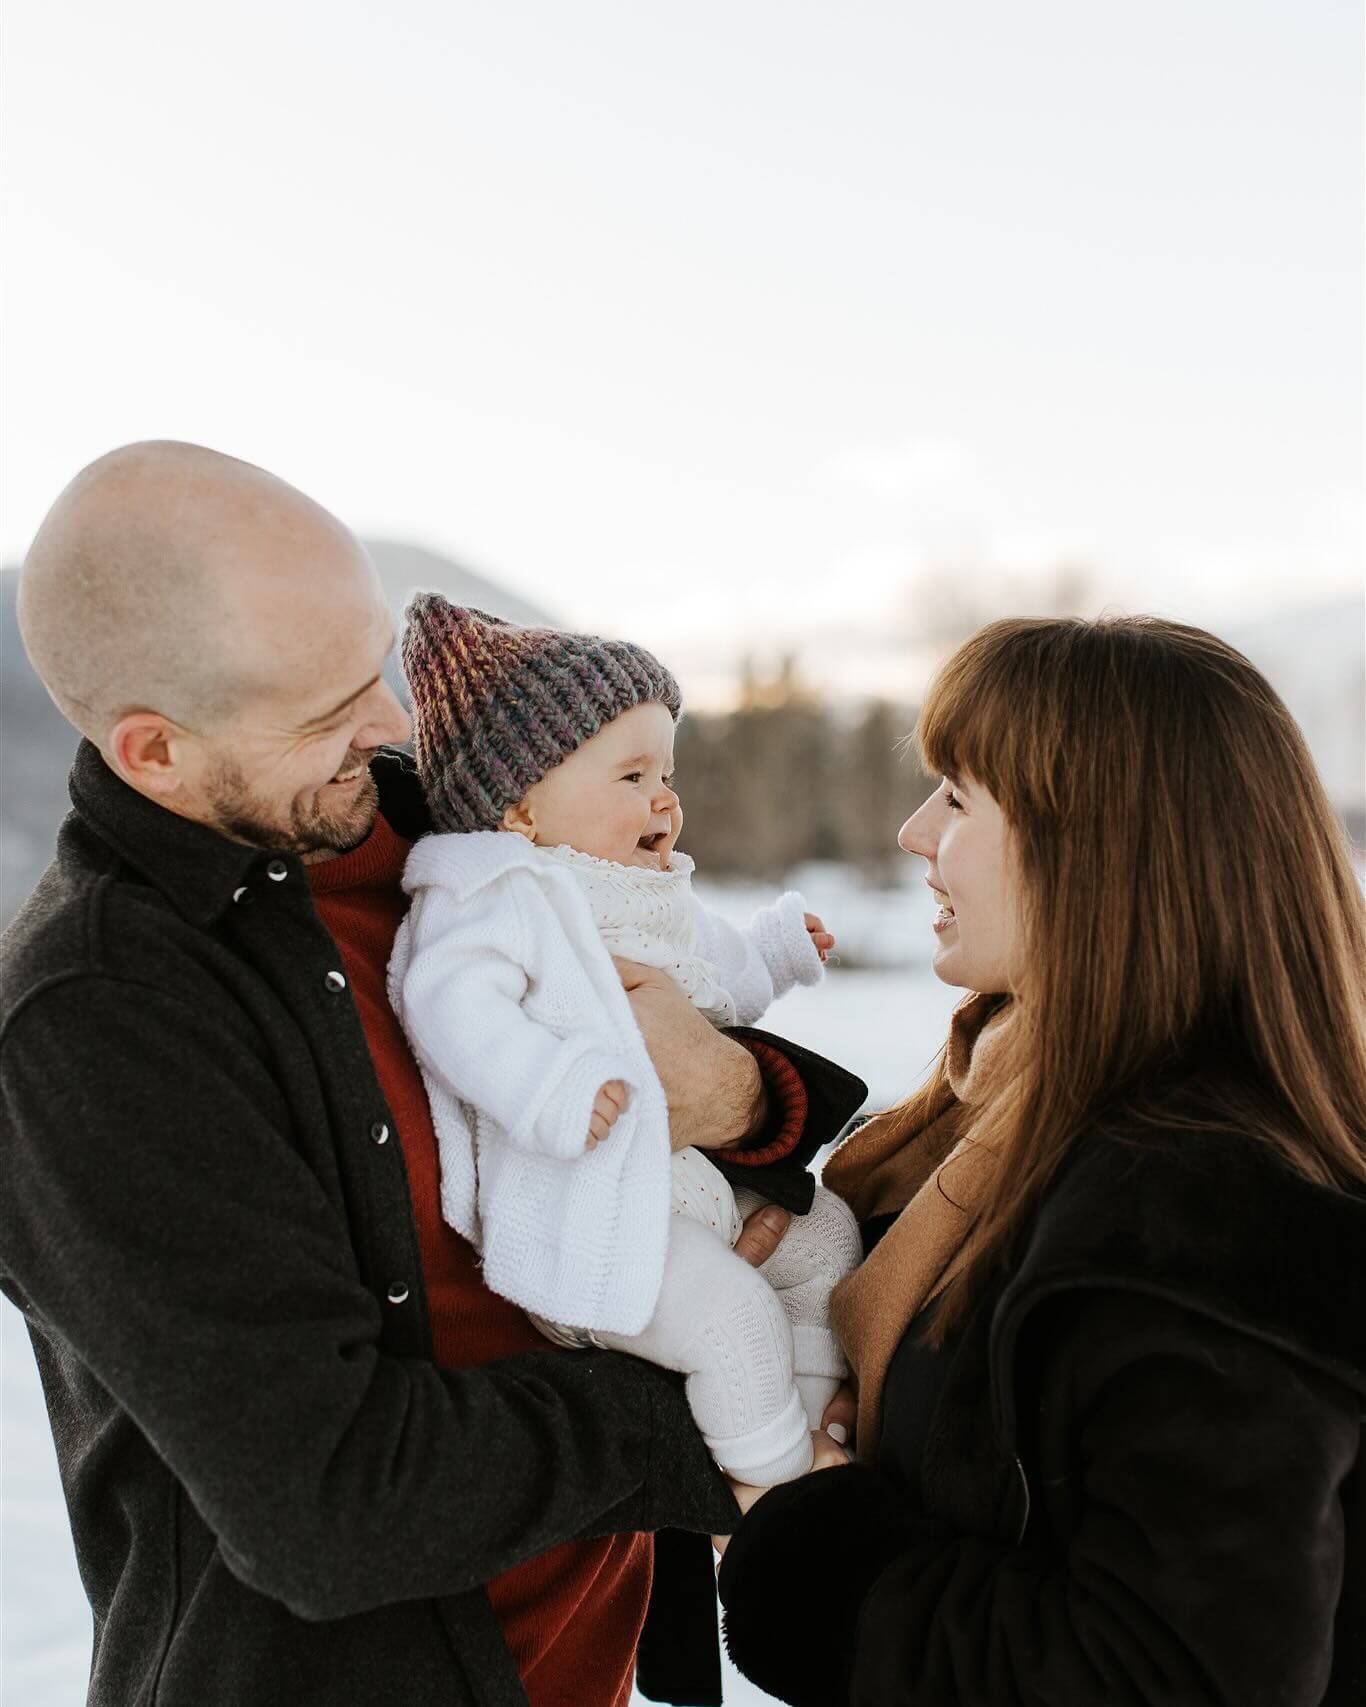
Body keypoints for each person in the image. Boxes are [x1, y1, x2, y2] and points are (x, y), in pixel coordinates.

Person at [0, 441, 867, 1707]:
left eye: (377, 670)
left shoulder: (448, 827)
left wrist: (741, 1097)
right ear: (155, 752)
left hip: (584, 1664)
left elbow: (681, 1002)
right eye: (326, 710)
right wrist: (716, 1428)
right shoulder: (96, 1022)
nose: (392, 725)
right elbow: (329, 1502)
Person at [716, 615, 1366, 1707]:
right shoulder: (992, 1131)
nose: (914, 832)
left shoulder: (1204, 1210)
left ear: (1094, 849)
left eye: (958, 797)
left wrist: (822, 1556)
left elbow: (1174, 1676)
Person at [390, 594, 862, 1489]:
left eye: (668, 773)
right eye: (633, 775)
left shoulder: (644, 889)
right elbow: (451, 1007)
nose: (665, 799)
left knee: (827, 1237)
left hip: (691, 1189)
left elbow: (714, 969)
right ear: (521, 809)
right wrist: (552, 1084)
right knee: (730, 1318)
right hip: (588, 1223)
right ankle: (779, 1486)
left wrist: (774, 949)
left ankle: (807, 1423)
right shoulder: (494, 896)